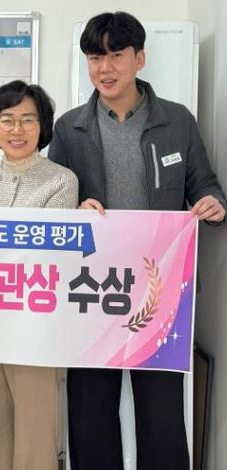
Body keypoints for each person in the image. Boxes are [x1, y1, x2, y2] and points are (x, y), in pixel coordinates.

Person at [48, 11, 226, 470]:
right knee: (90, 411)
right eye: (95, 57)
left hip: (161, 290)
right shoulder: (69, 128)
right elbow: (51, 203)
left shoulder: (177, 121)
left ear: (139, 58)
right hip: (91, 290)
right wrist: (73, 211)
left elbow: (204, 184)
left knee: (161, 414)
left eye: (116, 55)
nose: (104, 68)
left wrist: (214, 203)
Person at [0, 80, 78, 470]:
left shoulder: (61, 180)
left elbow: (50, 257)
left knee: (36, 422)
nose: (17, 130)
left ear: (42, 125)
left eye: (28, 120)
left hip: (35, 318)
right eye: (7, 119)